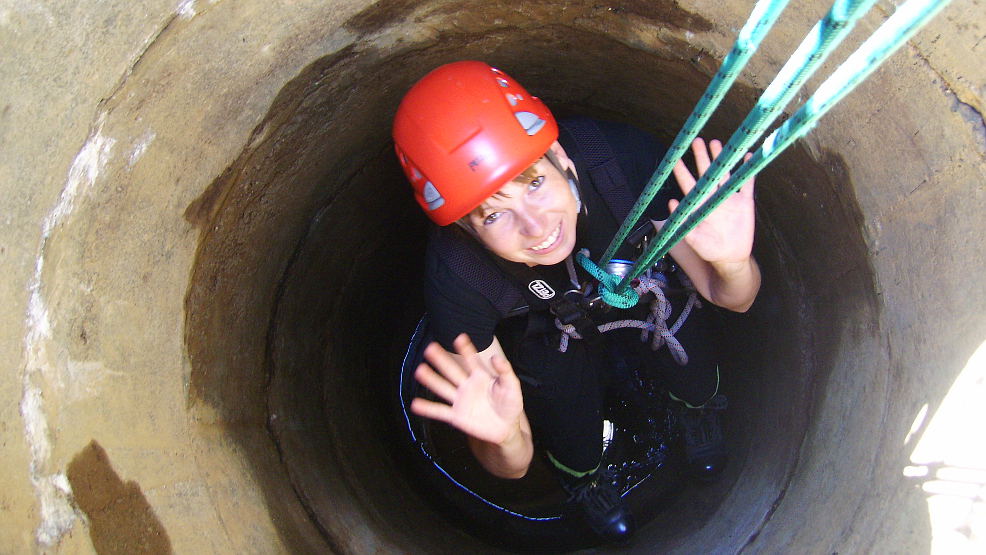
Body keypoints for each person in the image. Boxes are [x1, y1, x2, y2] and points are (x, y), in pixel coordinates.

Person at [393, 61, 760, 543]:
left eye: (535, 183)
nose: (536, 227)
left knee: (689, 345)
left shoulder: (620, 163)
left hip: (640, 286)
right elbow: (515, 466)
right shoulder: (457, 275)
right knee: (568, 426)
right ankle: (585, 478)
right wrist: (502, 439)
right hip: (548, 328)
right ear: (466, 230)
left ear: (562, 157)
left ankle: (696, 409)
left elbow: (730, 299)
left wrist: (733, 265)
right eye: (493, 216)